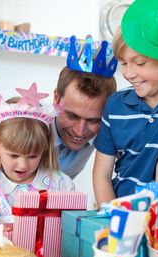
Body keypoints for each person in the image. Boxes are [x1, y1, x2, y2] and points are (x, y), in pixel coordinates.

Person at [93, 0, 158, 207]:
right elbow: (101, 174)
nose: (128, 73)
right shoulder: (115, 106)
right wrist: (111, 218)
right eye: (123, 63)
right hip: (123, 214)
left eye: (139, 63)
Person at [0, 83, 75, 236]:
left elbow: (70, 233)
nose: (22, 165)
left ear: (44, 148)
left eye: (32, 156)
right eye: (14, 155)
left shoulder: (62, 185)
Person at [52, 35, 117, 179]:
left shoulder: (106, 131)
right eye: (71, 116)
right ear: (56, 99)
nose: (80, 131)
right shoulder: (31, 124)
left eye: (93, 120)